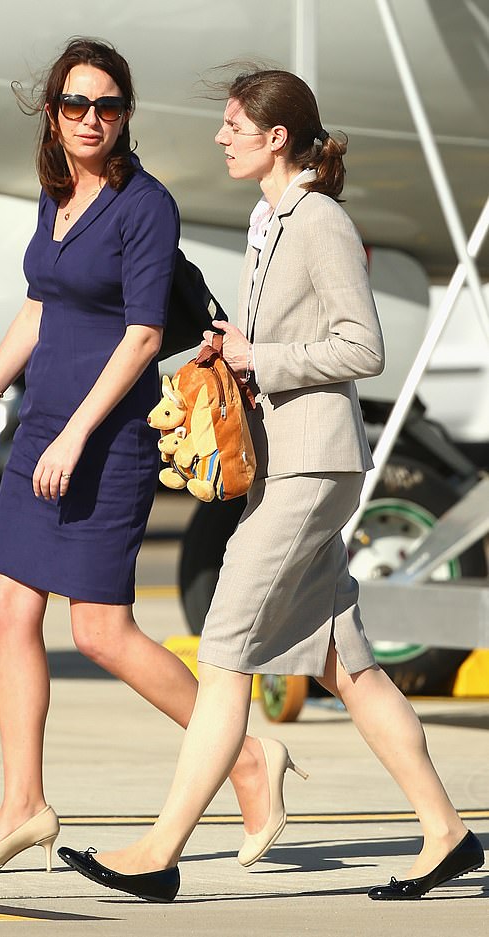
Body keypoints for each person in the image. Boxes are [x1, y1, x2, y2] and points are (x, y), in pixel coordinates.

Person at [58, 66, 485, 903]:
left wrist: (268, 359)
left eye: (233, 125)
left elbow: (364, 347)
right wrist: (234, 349)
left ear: (276, 136)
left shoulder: (318, 218)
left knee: (223, 650)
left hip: (312, 462)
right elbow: (288, 336)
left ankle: (159, 850)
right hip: (282, 457)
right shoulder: (269, 218)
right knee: (347, 662)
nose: (221, 137)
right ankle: (448, 833)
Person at [0, 40, 294, 876]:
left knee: (99, 629)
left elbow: (141, 336)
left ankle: (247, 758)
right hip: (41, 428)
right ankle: (23, 806)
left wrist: (76, 435)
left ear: (125, 115)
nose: (91, 120)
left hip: (108, 438)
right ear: (52, 113)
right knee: (6, 606)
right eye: (75, 106)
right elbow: (39, 304)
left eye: (108, 107)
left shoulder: (146, 206)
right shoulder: (57, 190)